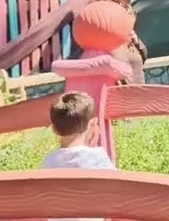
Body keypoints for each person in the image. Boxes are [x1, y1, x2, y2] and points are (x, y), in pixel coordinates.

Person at [43, 91, 116, 220]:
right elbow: (119, 193)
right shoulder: (97, 159)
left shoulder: (48, 163)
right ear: (92, 124)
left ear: (54, 129)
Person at [111, 0, 147, 85]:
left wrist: (137, 42)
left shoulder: (132, 39)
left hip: (140, 90)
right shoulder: (112, 43)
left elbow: (144, 57)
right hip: (123, 94)